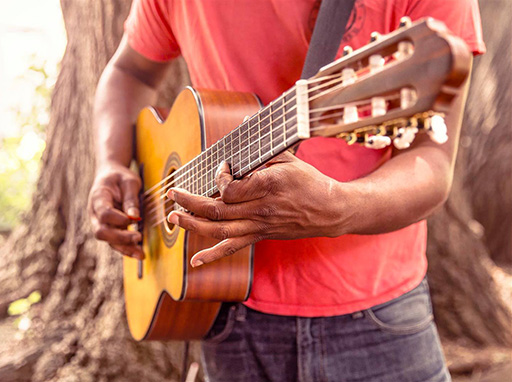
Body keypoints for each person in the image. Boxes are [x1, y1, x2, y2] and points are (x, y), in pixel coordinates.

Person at [88, 1, 485, 381]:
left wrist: (339, 207)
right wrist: (110, 163)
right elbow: (131, 72)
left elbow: (432, 161)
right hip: (220, 305)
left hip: (375, 315)